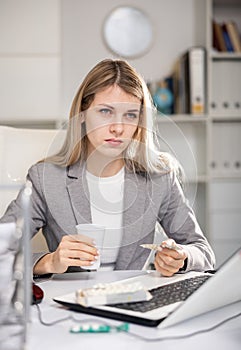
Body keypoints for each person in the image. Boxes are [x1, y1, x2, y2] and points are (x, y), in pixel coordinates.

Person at [0, 58, 215, 277]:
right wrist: (49, 262)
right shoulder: (45, 178)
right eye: (105, 112)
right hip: (65, 304)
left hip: (132, 305)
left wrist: (182, 257)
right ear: (82, 114)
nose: (118, 128)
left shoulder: (159, 178)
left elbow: (203, 251)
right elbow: (1, 251)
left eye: (130, 115)